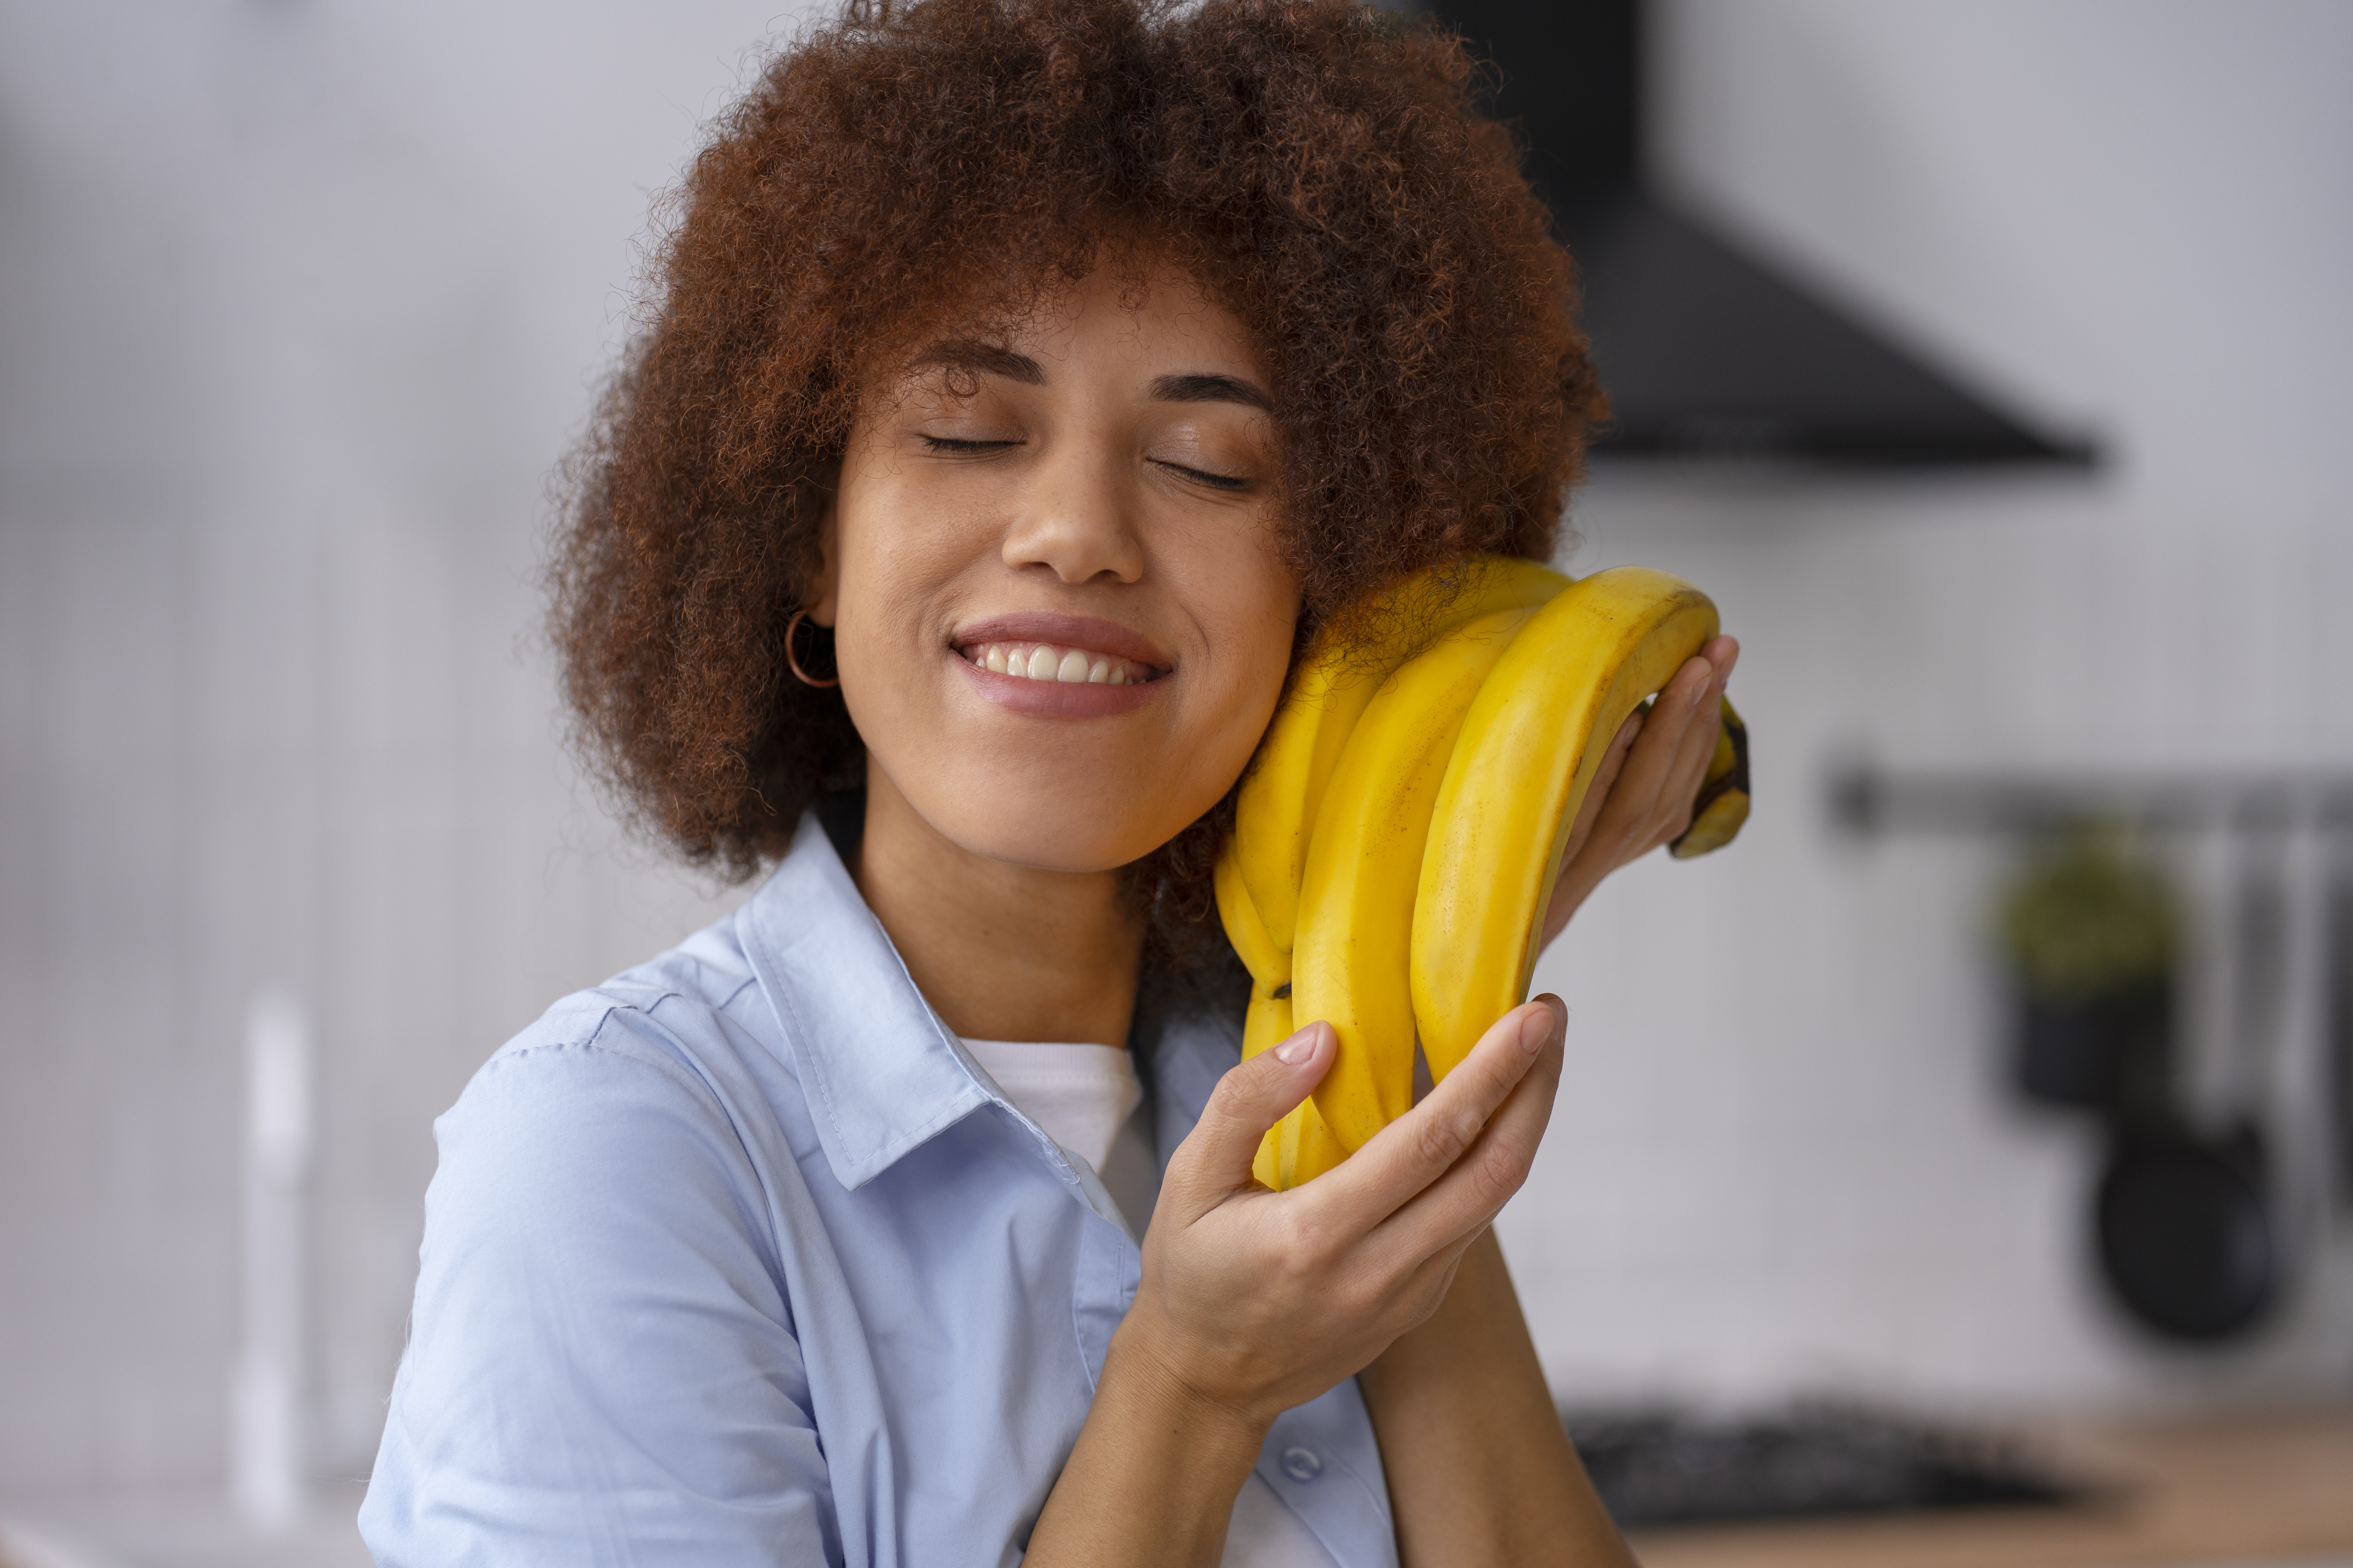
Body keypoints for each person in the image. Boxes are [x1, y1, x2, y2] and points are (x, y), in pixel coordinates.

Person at [358, 0, 1739, 1563]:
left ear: (1335, 581)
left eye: (1210, 464)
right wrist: (1191, 1387)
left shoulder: (1287, 1061)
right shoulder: (612, 1154)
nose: (1075, 528)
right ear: (808, 537)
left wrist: (1404, 1075)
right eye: (965, 430)